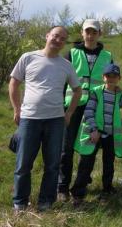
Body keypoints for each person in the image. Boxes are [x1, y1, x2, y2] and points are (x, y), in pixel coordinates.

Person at [9, 26, 82, 212]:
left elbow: (77, 90)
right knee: (23, 164)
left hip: (56, 121)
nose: (58, 40)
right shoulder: (28, 57)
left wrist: (69, 114)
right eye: (56, 36)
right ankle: (20, 203)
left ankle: (46, 203)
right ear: (47, 35)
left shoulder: (66, 65)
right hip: (29, 119)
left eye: (63, 38)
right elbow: (14, 82)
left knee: (52, 165)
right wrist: (17, 109)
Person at [58, 19, 112, 201]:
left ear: (99, 34)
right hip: (72, 108)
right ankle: (62, 188)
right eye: (87, 31)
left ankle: (79, 189)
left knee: (88, 150)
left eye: (94, 32)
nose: (90, 35)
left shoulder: (107, 56)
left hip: (94, 110)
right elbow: (60, 81)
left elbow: (112, 80)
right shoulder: (71, 54)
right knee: (66, 149)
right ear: (82, 33)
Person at [70, 64, 122, 205]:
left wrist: (120, 123)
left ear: (119, 78)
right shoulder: (96, 92)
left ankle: (107, 189)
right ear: (103, 77)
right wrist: (93, 130)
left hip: (110, 135)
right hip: (95, 134)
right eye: (108, 76)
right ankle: (78, 192)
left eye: (114, 76)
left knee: (109, 163)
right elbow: (89, 112)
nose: (111, 79)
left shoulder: (119, 94)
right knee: (86, 162)